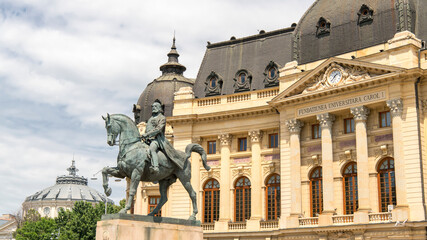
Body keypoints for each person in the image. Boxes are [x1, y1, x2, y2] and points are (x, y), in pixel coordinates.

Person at [142, 100, 185, 173]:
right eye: (152, 107)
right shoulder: (151, 118)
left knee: (152, 149)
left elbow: (158, 129)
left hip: (157, 140)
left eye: (155, 106)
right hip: (148, 140)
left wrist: (147, 134)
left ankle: (155, 167)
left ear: (159, 108)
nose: (153, 108)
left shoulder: (162, 118)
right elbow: (148, 129)